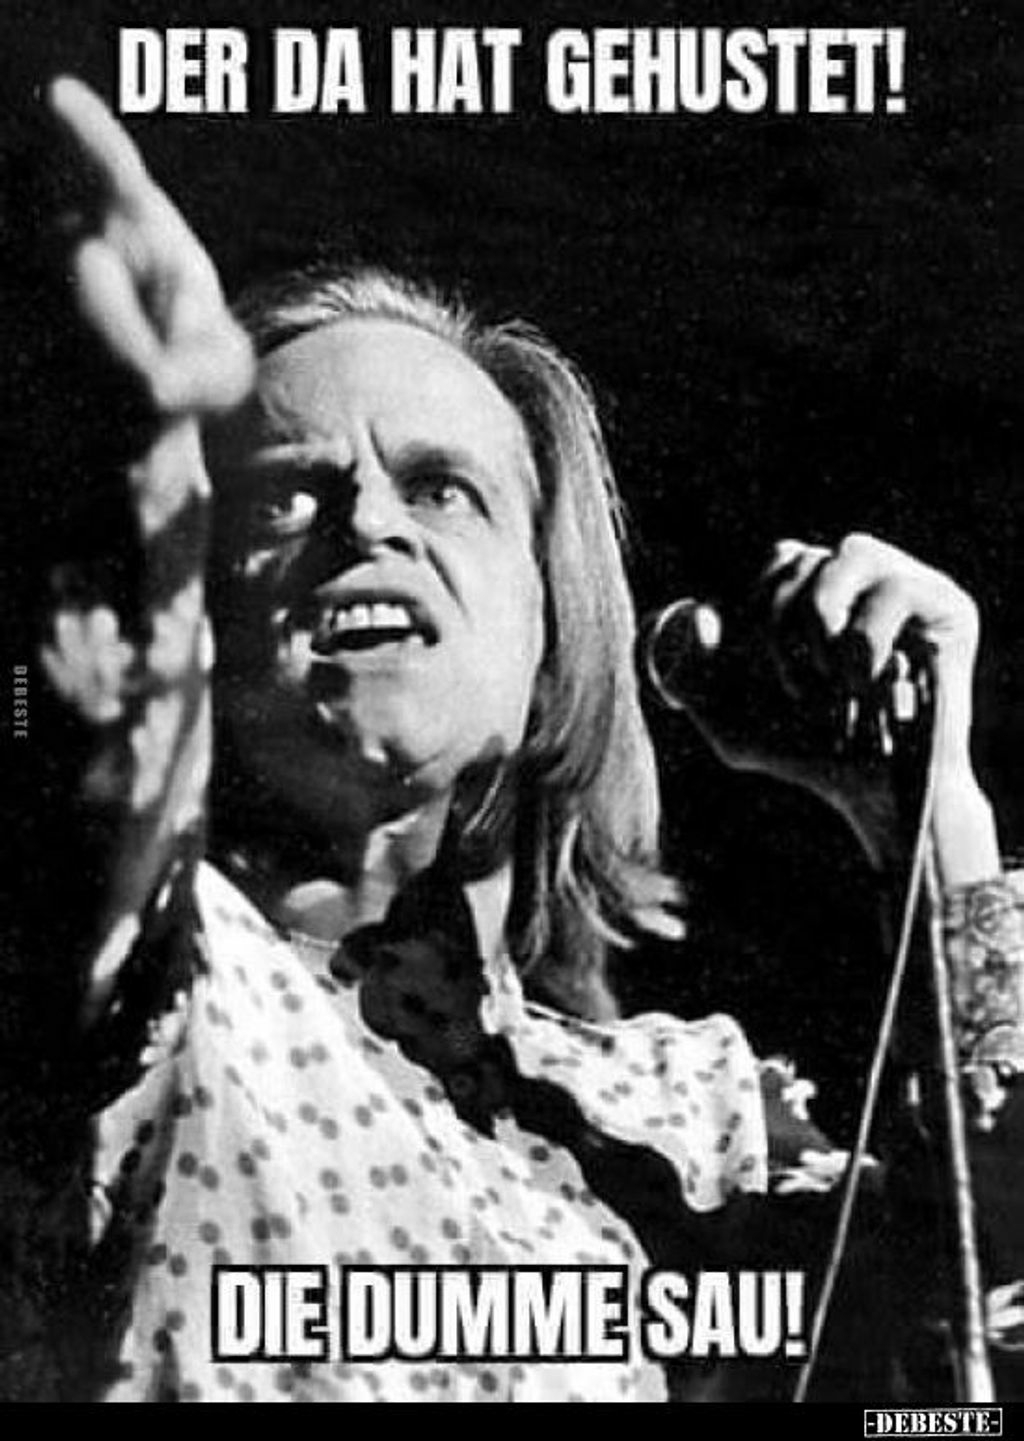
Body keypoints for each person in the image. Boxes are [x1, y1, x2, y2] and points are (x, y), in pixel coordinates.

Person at [1, 75, 1021, 1403]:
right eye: (286, 495)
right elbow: (98, 798)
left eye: (442, 488)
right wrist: (133, 460)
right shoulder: (170, 981)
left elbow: (987, 1269)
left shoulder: (691, 1114)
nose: (369, 523)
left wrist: (930, 814)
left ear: (551, 628)